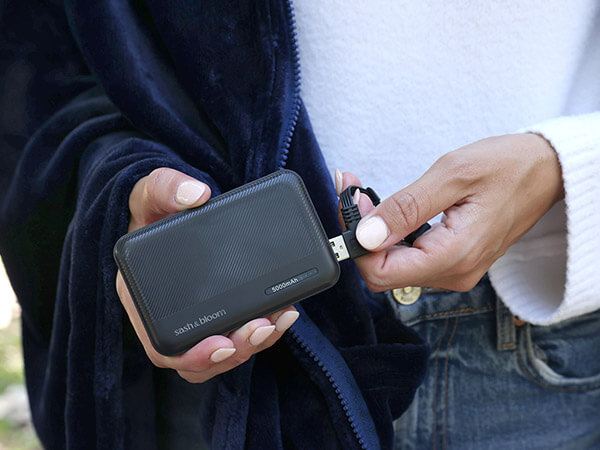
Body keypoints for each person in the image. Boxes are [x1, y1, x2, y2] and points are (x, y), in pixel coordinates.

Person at [1, 1, 599, 449]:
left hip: (545, 326)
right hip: (245, 378)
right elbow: (36, 65)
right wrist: (120, 187)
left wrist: (564, 165)